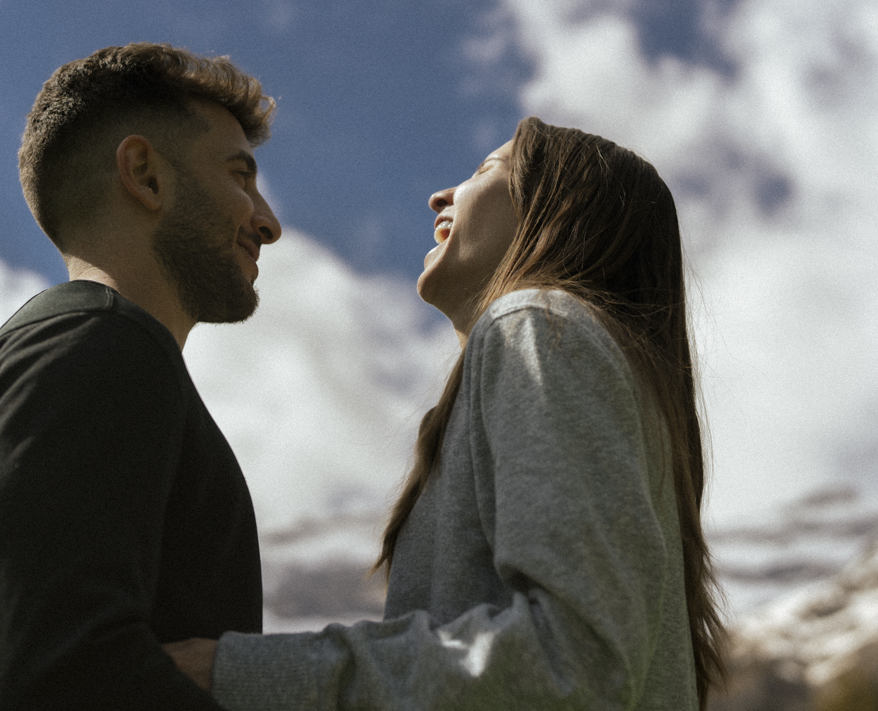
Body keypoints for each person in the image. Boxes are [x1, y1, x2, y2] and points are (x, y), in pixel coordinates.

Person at [167, 116, 727, 709]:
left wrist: (233, 673)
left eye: (488, 169)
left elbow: (575, 661)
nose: (441, 195)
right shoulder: (564, 359)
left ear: (558, 211)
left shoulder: (535, 324)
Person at [0, 42, 282, 711]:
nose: (268, 222)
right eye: (239, 175)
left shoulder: (82, 350)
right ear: (145, 174)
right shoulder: (101, 346)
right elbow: (65, 679)